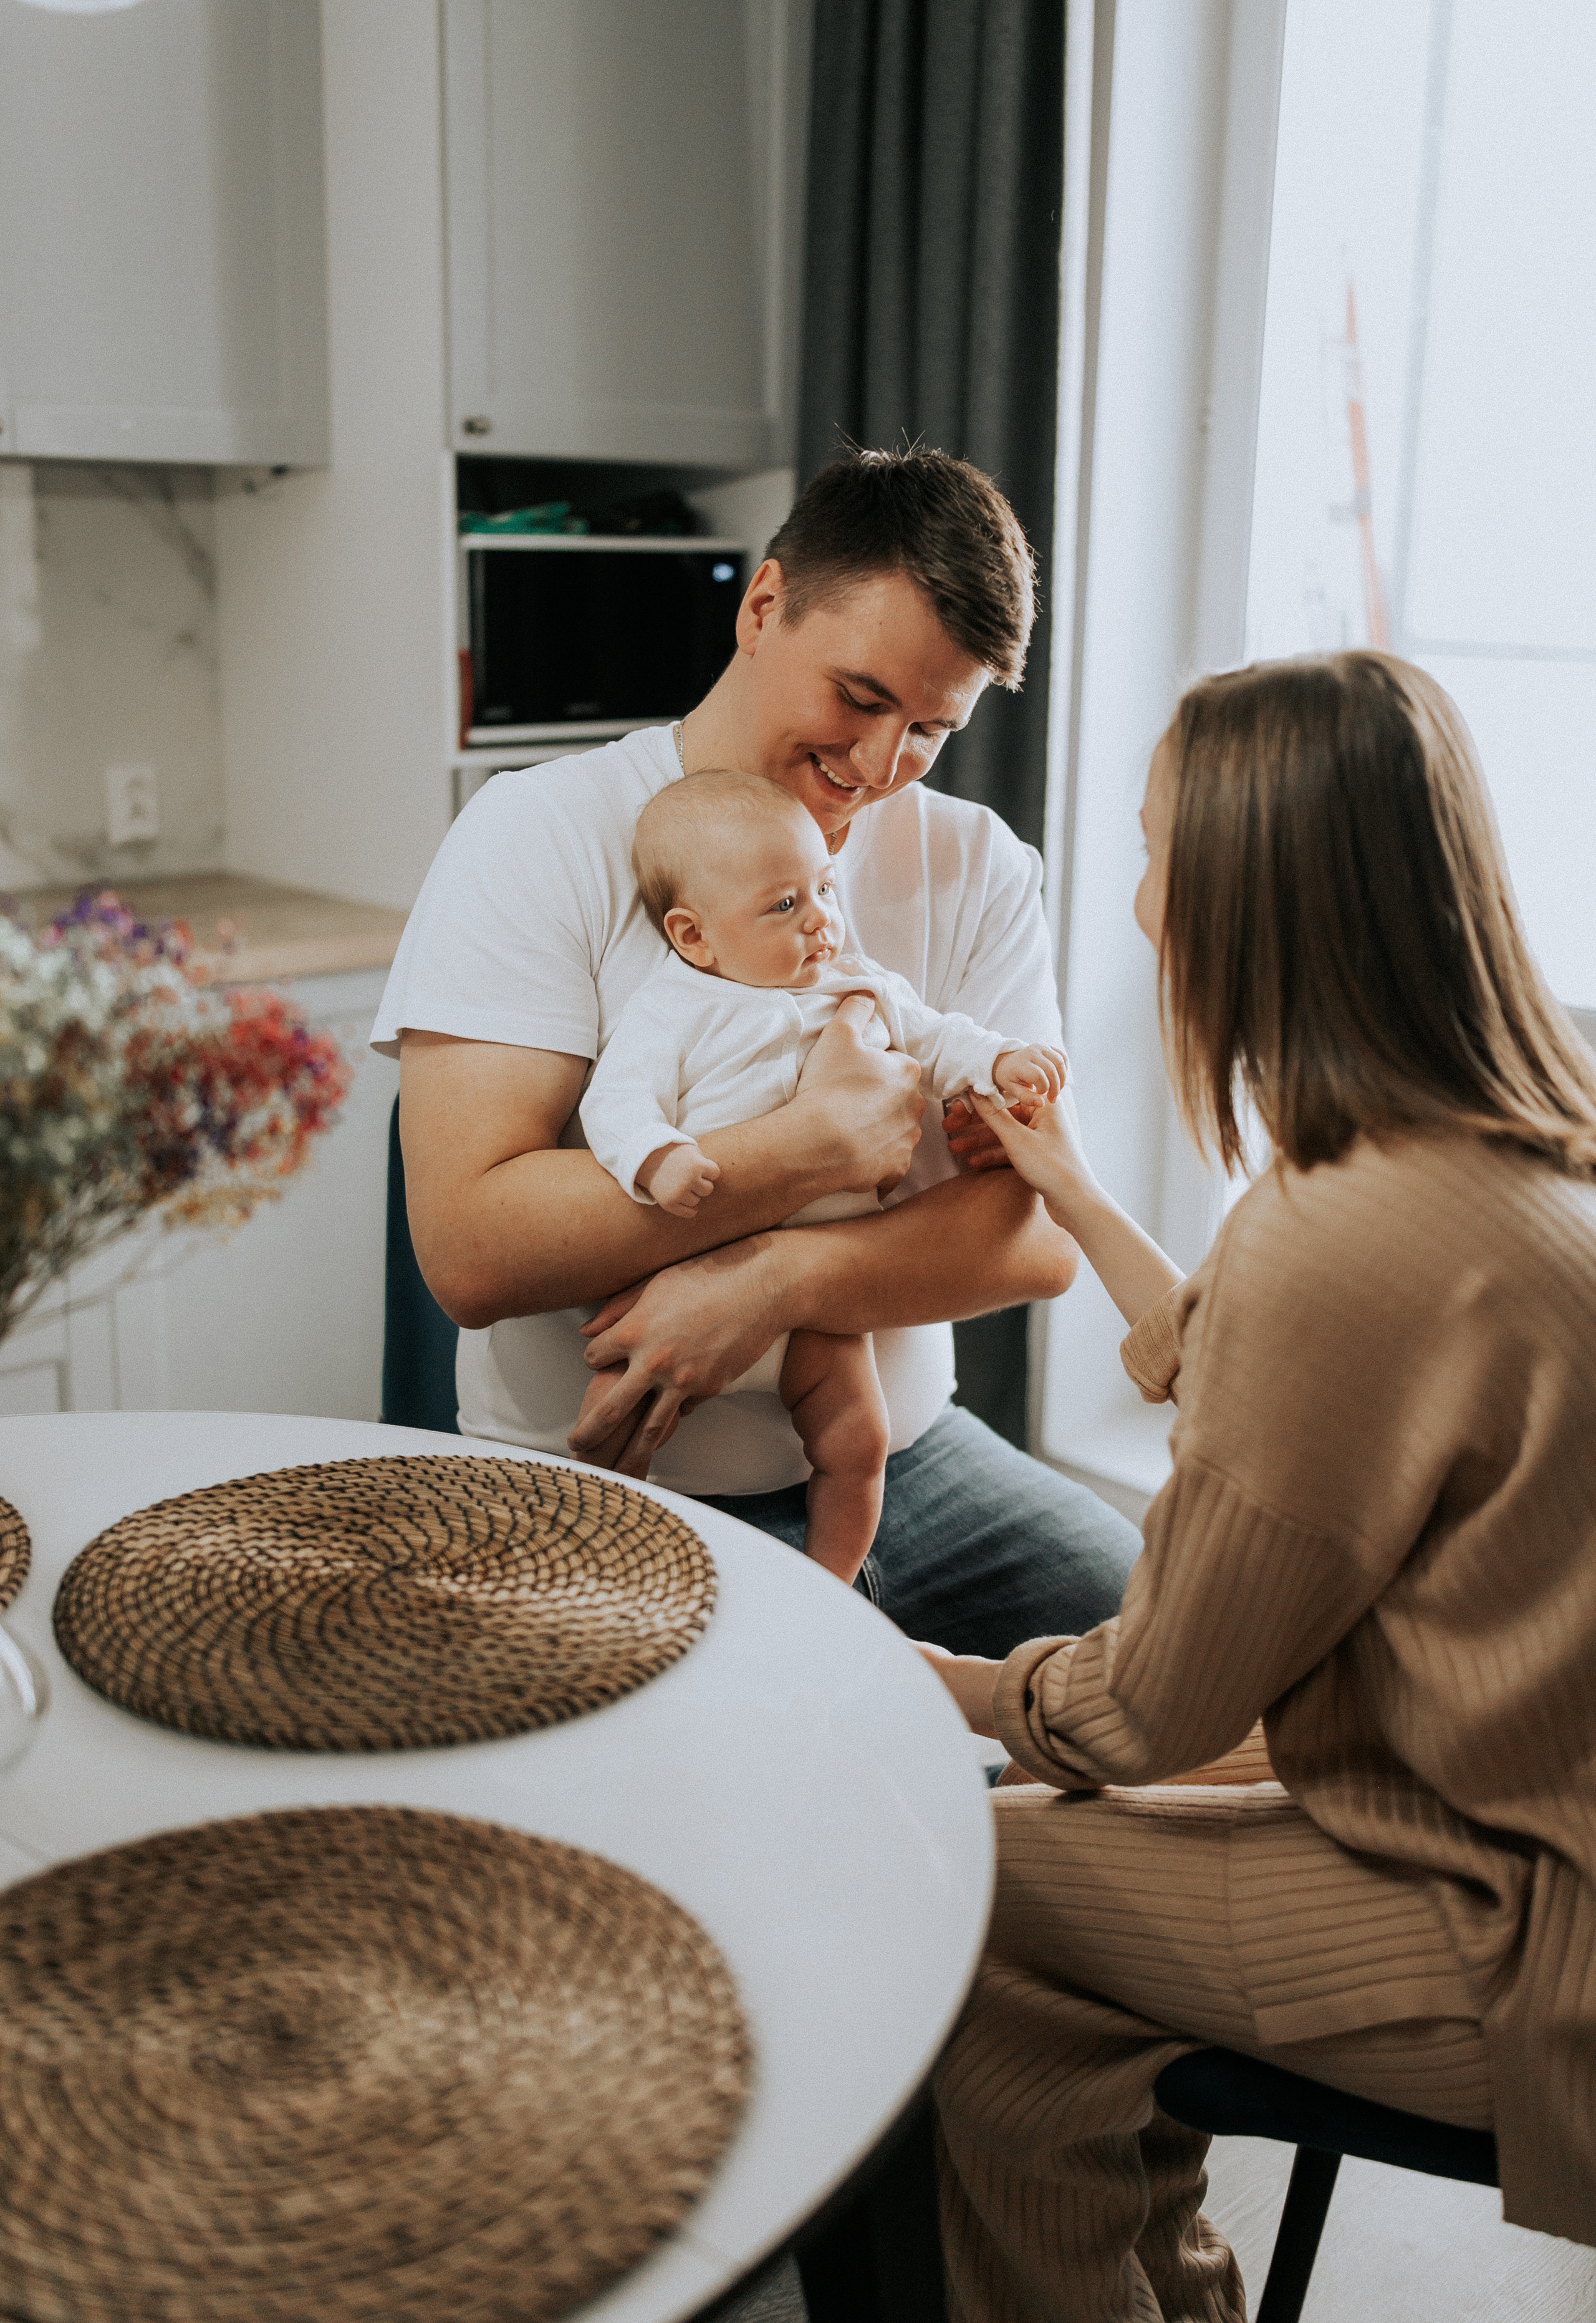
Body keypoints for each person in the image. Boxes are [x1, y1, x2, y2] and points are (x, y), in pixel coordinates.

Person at [918, 649, 1596, 2321]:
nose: (1139, 905)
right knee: (1073, 1908)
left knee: (980, 1886)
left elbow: (1141, 1709)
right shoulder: (1510, 1149)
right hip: (1507, 1796)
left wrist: (936, 1687)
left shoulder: (1338, 1234)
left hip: (1524, 1924)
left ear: (1241, 895)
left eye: (1154, 852)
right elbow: (1262, 1372)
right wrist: (1067, 1188)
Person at [378, 447, 1142, 1651]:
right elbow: (471, 1246)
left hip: (904, 1453)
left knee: (1152, 1642)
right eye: (863, 697)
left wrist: (769, 1283)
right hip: (612, 1485)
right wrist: (814, 1146)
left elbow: (1038, 1236)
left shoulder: (977, 865)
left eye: (932, 729)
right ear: (764, 603)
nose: (882, 768)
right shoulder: (539, 836)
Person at [580, 767, 1069, 1583]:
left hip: (826, 1299)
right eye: (784, 905)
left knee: (856, 1439)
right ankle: (609, 1556)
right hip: (692, 1277)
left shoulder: (859, 983)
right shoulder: (674, 1007)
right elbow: (618, 1102)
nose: (822, 923)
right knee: (620, 1419)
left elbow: (939, 1037)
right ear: (696, 936)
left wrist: (1001, 1061)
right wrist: (656, 1157)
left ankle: (832, 1581)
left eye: (825, 891)